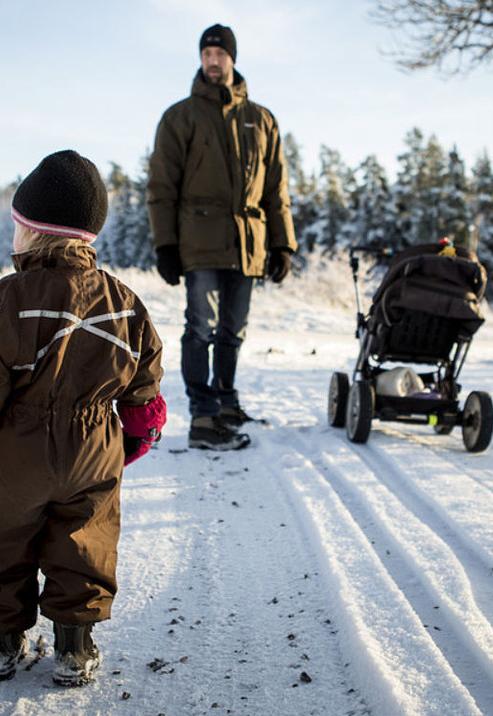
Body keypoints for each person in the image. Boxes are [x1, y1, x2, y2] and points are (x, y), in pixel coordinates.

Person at [0, 150, 166, 686]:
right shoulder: (124, 304)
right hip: (93, 448)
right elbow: (143, 380)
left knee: (1, 541)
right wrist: (141, 430)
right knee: (85, 538)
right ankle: (75, 646)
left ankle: (1, 644)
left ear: (30, 232)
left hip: (12, 454)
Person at [147, 23, 298, 451]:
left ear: (233, 58)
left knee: (233, 330)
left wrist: (283, 244)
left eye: (220, 53)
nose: (213, 61)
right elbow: (161, 187)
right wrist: (166, 245)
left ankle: (227, 402)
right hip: (199, 241)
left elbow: (276, 189)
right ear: (200, 59)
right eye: (206, 54)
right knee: (201, 328)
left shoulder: (261, 119)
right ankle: (203, 415)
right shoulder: (180, 117)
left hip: (249, 242)